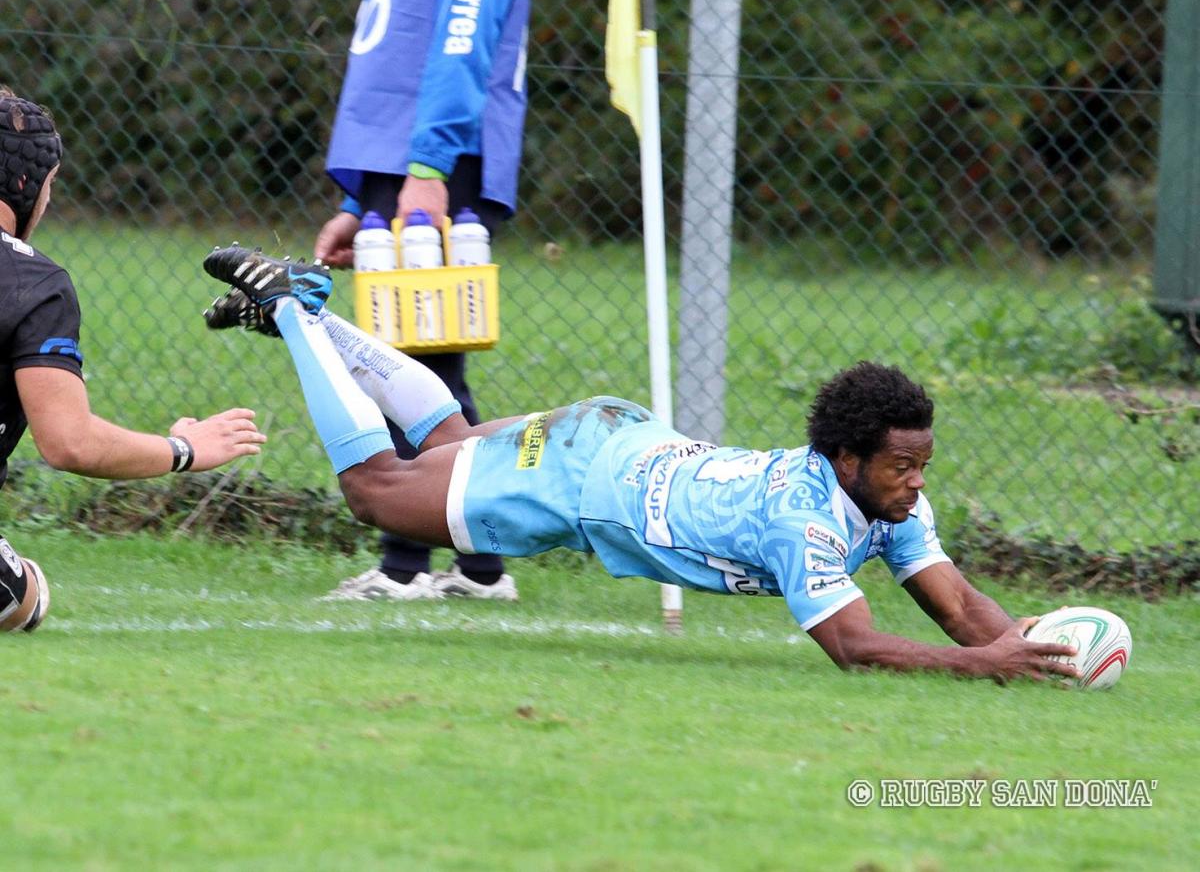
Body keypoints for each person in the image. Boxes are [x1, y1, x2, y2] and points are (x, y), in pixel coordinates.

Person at [200, 246, 1079, 682]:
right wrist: (977, 666)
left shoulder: (890, 504)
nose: (916, 482)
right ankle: (294, 311)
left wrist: (1024, 649)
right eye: (901, 466)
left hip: (615, 432)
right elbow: (851, 644)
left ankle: (312, 310)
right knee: (376, 491)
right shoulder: (806, 519)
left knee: (443, 445)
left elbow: (958, 605)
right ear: (846, 457)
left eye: (922, 465)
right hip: (576, 482)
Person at [0, 91, 266, 633]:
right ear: (26, 183)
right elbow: (69, 443)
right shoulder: (33, 283)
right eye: (51, 185)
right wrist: (184, 450)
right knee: (23, 599)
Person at [308, 0, 534, 602]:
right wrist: (360, 204)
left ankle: (405, 567)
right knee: (421, 374)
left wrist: (429, 170)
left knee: (410, 375)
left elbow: (463, 38)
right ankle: (479, 567)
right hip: (408, 166)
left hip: (434, 164)